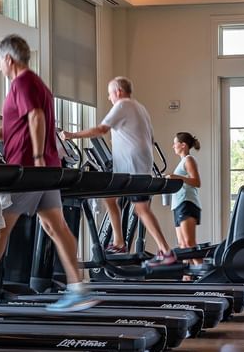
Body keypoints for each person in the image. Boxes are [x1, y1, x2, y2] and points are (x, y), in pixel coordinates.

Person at [0, 35, 99, 312]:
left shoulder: (21, 82)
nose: (0, 68)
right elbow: (17, 127)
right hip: (46, 170)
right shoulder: (38, 84)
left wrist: (34, 158)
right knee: (56, 227)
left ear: (8, 59)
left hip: (27, 169)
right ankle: (77, 288)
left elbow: (36, 117)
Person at [61, 76, 175, 266]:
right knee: (111, 197)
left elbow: (100, 129)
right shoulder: (140, 108)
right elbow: (146, 136)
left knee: (140, 209)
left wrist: (71, 135)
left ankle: (165, 251)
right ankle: (120, 242)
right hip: (138, 165)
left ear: (118, 92)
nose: (108, 97)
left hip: (133, 168)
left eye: (110, 93)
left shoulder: (122, 105)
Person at [166, 132, 202, 256]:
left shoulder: (189, 159)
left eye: (175, 143)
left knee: (189, 243)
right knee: (182, 245)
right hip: (178, 204)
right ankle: (187, 275)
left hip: (187, 203)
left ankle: (201, 271)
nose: (173, 146)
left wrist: (177, 177)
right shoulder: (181, 162)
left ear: (183, 145)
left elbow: (197, 182)